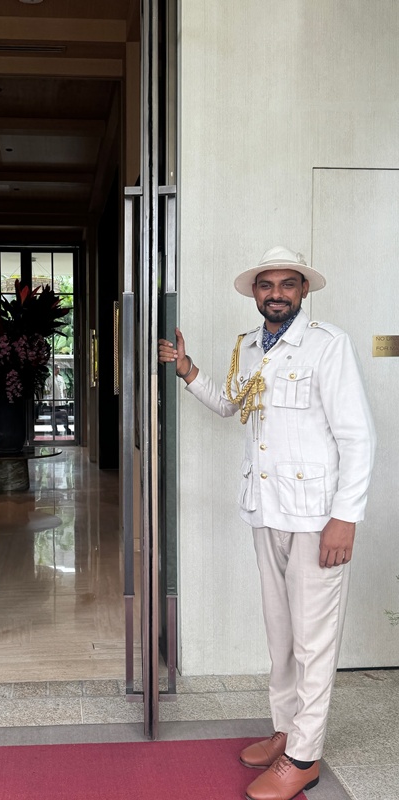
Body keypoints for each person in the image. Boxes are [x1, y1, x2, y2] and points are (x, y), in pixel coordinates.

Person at [158, 246, 376, 800]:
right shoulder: (252, 346)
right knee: (280, 633)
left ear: (303, 291)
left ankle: (304, 757)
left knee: (314, 640)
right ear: (255, 293)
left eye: (287, 284)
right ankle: (286, 730)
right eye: (266, 285)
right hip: (267, 508)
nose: (276, 293)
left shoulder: (328, 345)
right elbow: (231, 405)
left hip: (317, 518)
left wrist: (345, 517)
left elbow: (358, 437)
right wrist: (188, 370)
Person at [44, 365, 71, 436]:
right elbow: (46, 391)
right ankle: (55, 430)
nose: (58, 370)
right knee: (53, 416)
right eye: (57, 369)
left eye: (59, 369)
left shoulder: (61, 378)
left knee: (64, 415)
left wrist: (66, 397)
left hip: (61, 401)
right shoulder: (49, 379)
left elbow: (64, 389)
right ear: (53, 369)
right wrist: (49, 400)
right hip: (53, 402)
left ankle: (66, 428)